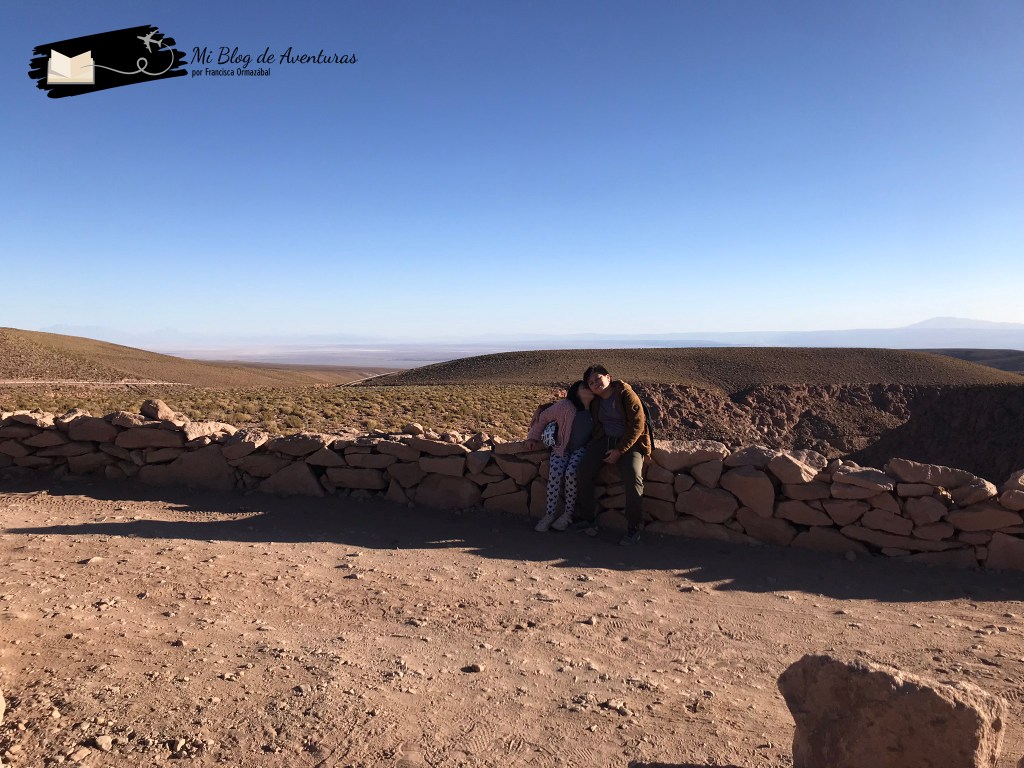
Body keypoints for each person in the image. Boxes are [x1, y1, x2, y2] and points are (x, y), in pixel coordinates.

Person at [571, 364, 652, 545]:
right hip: (604, 440)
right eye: (591, 383)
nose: (595, 384)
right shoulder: (597, 401)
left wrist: (619, 451)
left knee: (633, 477)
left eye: (598, 379)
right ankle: (588, 519)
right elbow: (573, 403)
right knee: (583, 471)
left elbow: (637, 425)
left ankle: (633, 527)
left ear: (608, 377)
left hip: (630, 443)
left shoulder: (625, 395)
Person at [524, 381, 595, 532]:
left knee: (571, 473)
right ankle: (549, 515)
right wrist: (533, 437)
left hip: (581, 449)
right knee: (555, 474)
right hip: (561, 448)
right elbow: (543, 418)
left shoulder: (596, 409)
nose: (590, 390)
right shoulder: (565, 406)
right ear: (576, 392)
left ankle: (567, 515)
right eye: (585, 388)